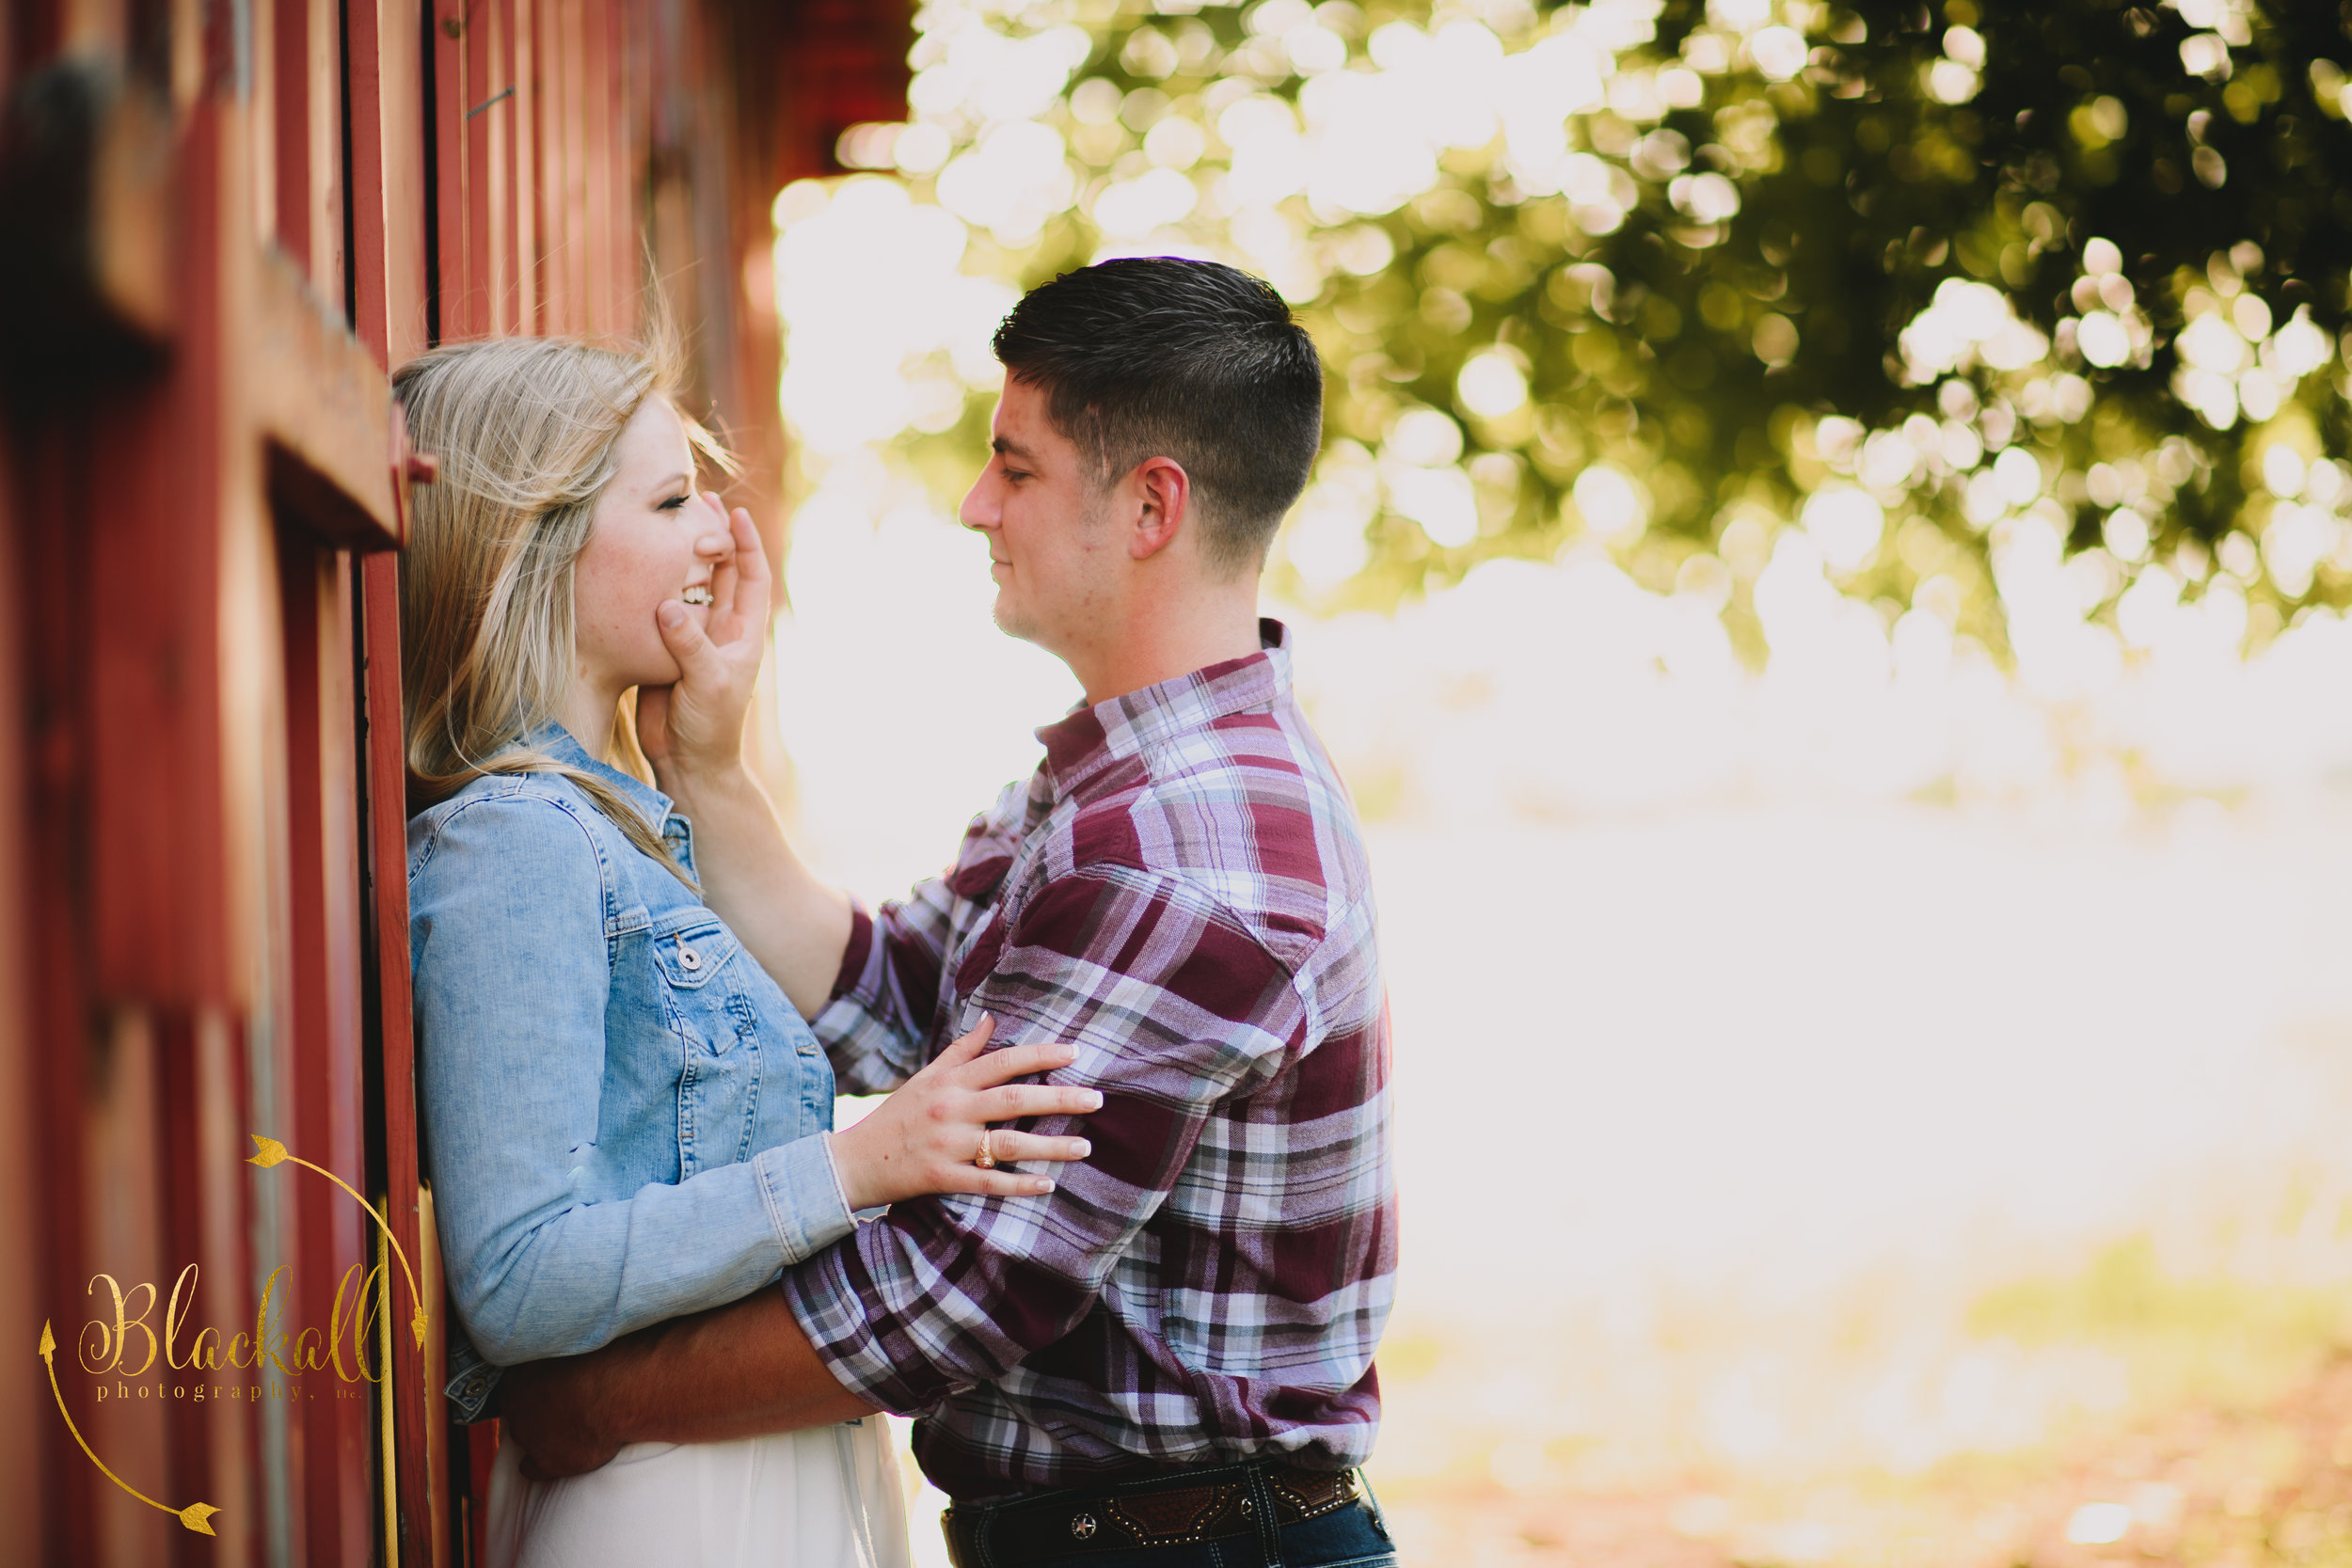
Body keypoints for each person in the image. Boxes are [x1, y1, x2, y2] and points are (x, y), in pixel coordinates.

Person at [500, 259, 1401, 1568]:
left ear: (1152, 505)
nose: (979, 507)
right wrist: (705, 758)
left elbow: (961, 1290)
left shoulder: (1176, 852)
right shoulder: (1109, 789)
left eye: (1017, 469)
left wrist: (594, 1402)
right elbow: (895, 1006)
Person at [395, 335, 1102, 1568]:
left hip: (772, 1478)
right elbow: (513, 1280)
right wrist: (856, 1167)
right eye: (672, 502)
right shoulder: (514, 840)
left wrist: (704, 757)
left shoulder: (625, 826)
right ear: (535, 544)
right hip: (665, 1512)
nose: (723, 533)